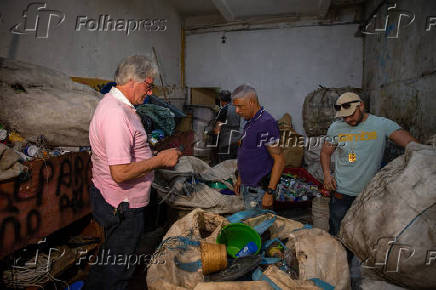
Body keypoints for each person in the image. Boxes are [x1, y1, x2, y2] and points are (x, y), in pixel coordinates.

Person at [85, 55, 181, 290]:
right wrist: (158, 160)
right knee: (118, 269)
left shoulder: (121, 107)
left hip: (121, 200)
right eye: (148, 86)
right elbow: (120, 172)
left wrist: (148, 152)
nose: (149, 93)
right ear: (131, 81)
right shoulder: (116, 114)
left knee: (110, 261)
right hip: (122, 204)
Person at [321, 92, 418, 237]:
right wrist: (327, 176)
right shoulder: (336, 128)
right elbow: (325, 153)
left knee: (366, 236)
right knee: (339, 234)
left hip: (370, 194)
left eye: (351, 114)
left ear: (361, 106)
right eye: (344, 116)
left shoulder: (381, 124)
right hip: (341, 193)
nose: (347, 119)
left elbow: (414, 146)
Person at [232, 84, 285, 209]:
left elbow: (280, 160)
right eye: (235, 106)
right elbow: (246, 152)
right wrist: (240, 178)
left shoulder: (266, 123)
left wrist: (269, 192)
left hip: (258, 192)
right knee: (250, 225)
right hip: (247, 187)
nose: (237, 111)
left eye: (240, 106)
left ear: (251, 102)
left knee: (257, 227)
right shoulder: (250, 123)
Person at [213, 90, 242, 164]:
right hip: (237, 140)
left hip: (226, 142)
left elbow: (217, 129)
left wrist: (215, 139)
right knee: (234, 165)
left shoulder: (224, 110)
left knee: (224, 165)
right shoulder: (237, 108)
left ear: (221, 100)